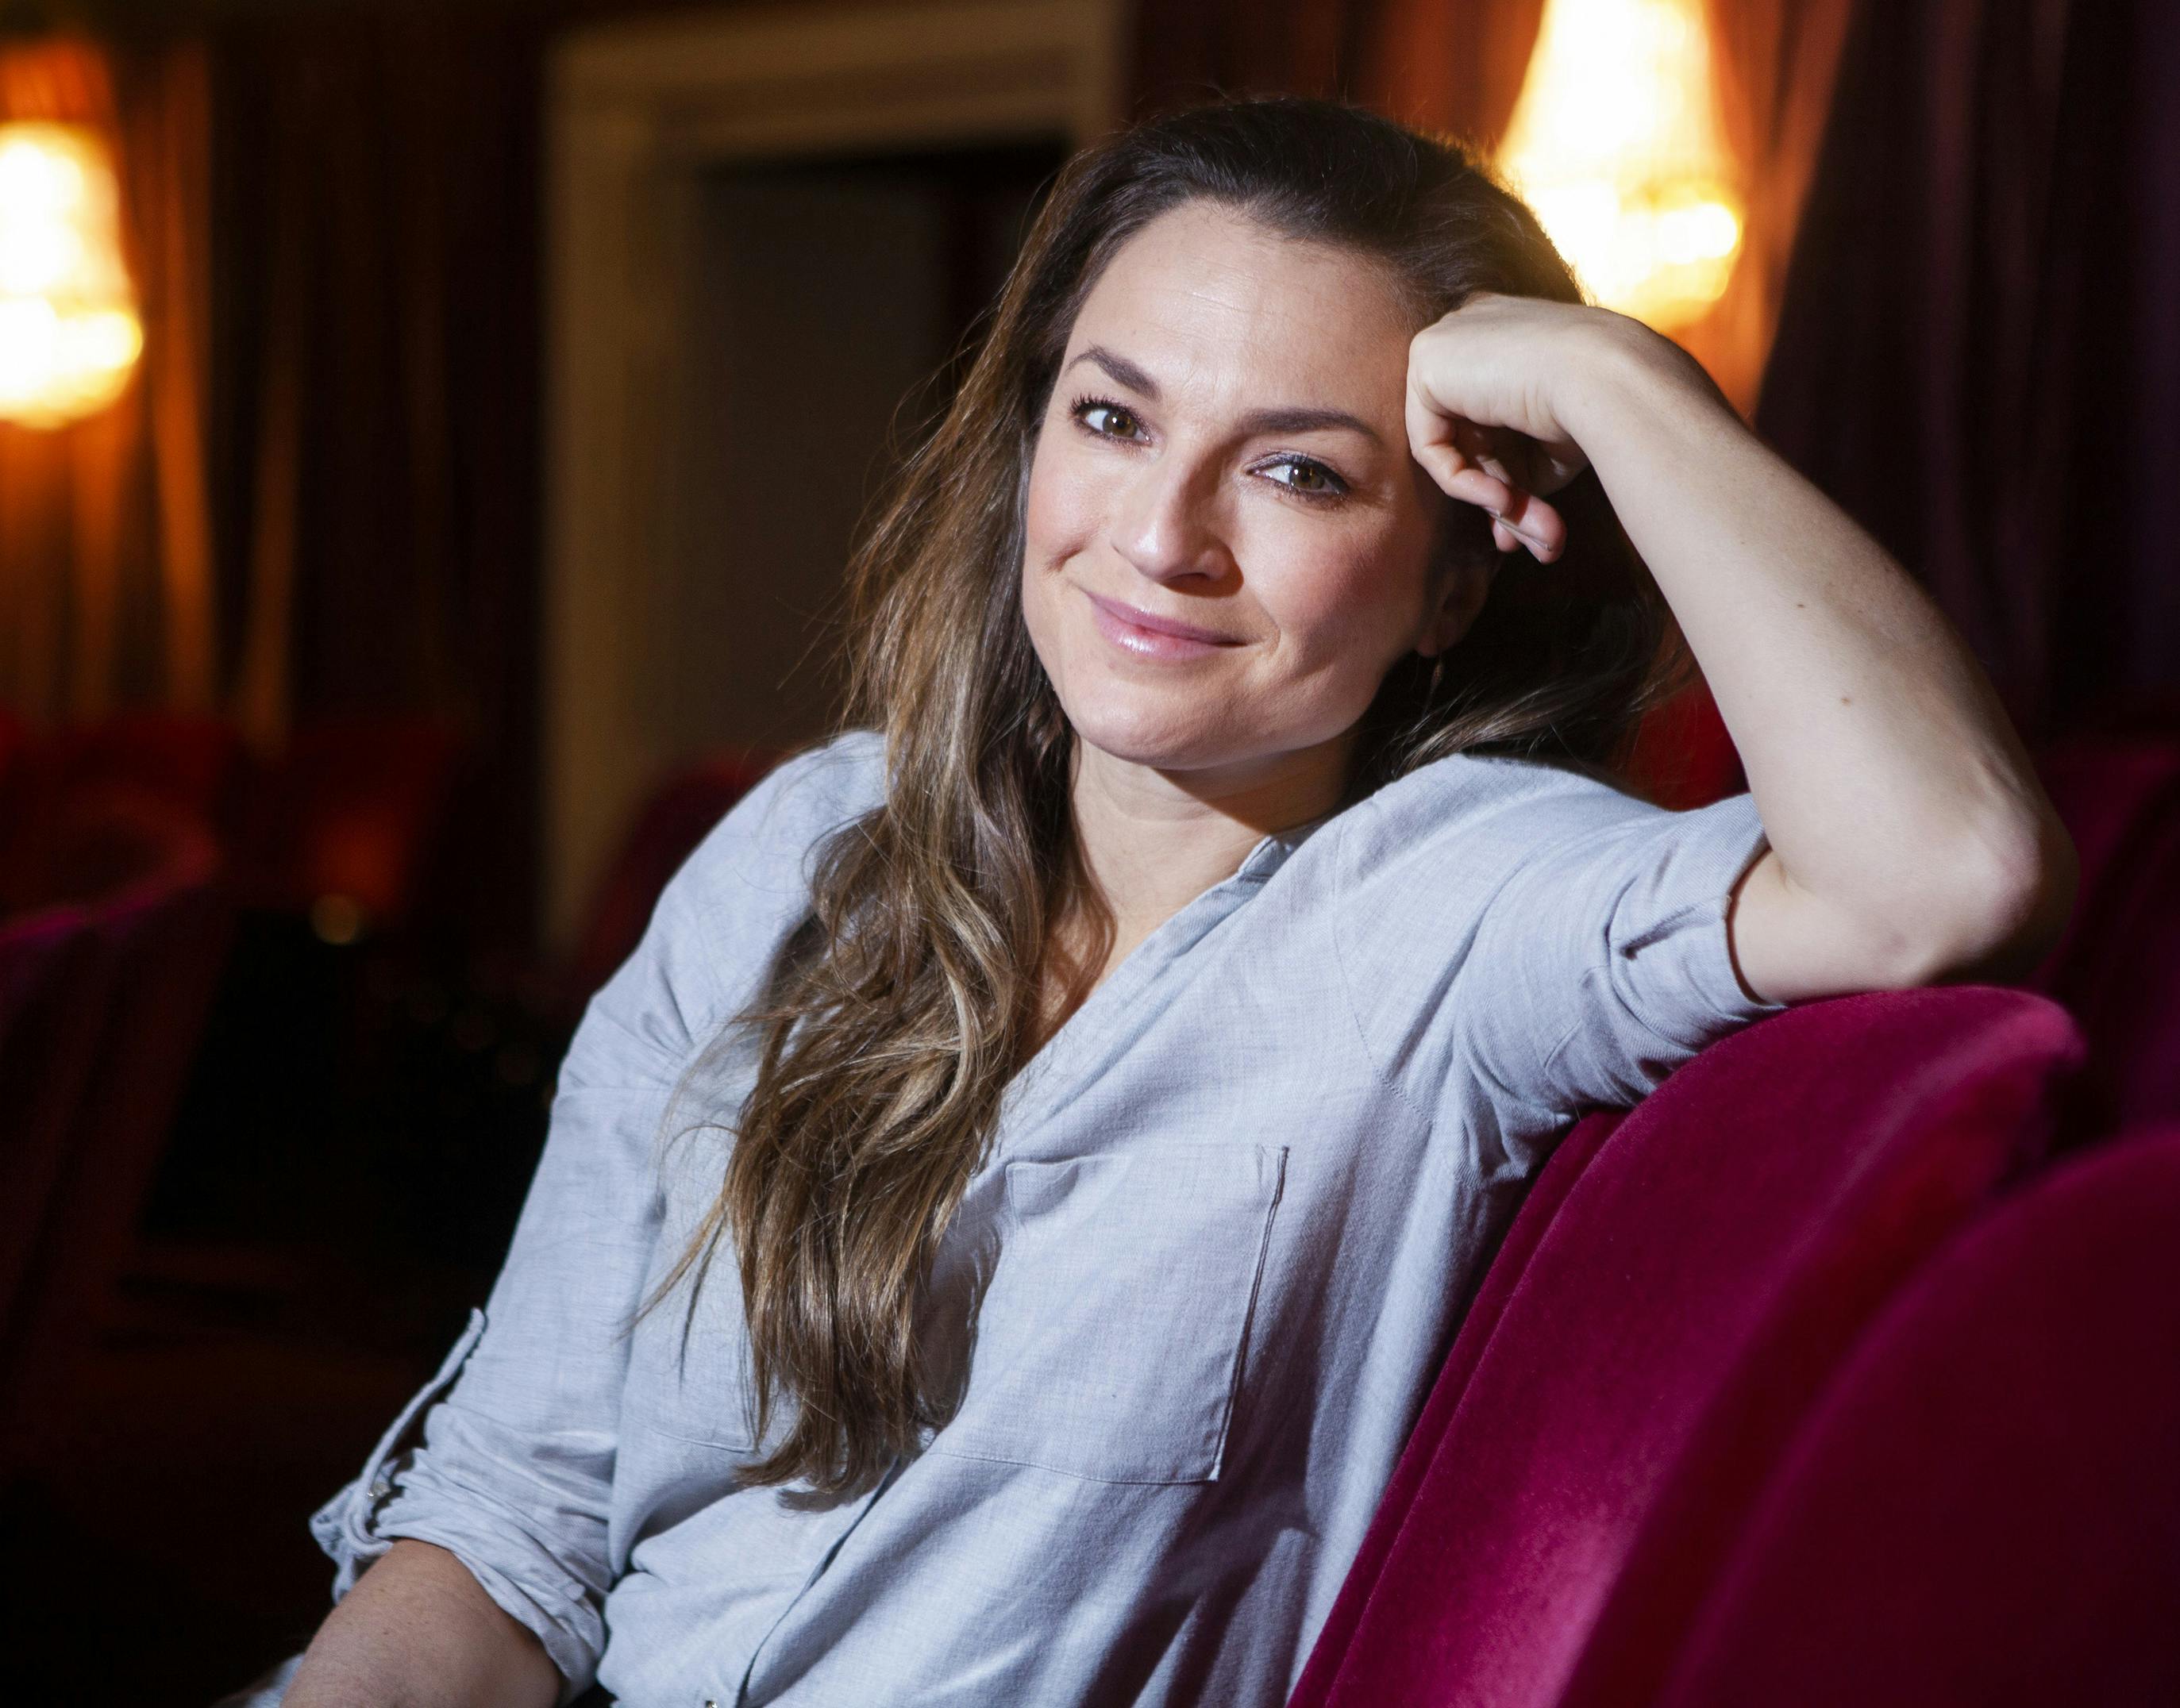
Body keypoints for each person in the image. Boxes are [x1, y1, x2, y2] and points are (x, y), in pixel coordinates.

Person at [244, 94, 2074, 1708]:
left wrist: (1618, 383)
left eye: (1297, 469)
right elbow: (516, 1506)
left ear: (1449, 581)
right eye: (1112, 416)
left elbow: (1949, 867)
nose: (1161, 535)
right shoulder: (800, 846)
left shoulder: (1454, 908)